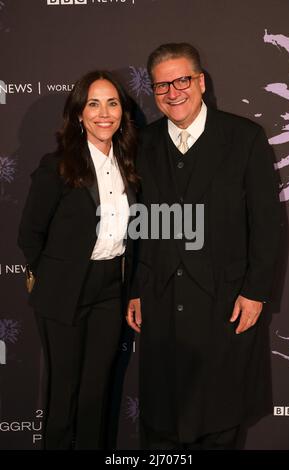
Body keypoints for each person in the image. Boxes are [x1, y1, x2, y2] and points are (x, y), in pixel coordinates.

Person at [126, 43, 280, 450]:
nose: (173, 92)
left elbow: (267, 223)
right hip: (161, 301)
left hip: (224, 301)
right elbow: (138, 224)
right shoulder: (142, 143)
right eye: (162, 86)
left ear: (201, 82)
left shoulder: (244, 137)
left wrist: (256, 292)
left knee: (220, 416)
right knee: (160, 420)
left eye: (182, 80)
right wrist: (138, 288)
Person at [18, 70, 138, 450]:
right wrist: (54, 276)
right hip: (64, 289)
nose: (104, 113)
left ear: (122, 112)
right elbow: (29, 235)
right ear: (78, 113)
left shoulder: (130, 166)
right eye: (93, 103)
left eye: (113, 103)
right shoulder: (58, 165)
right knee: (63, 393)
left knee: (95, 393)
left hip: (109, 288)